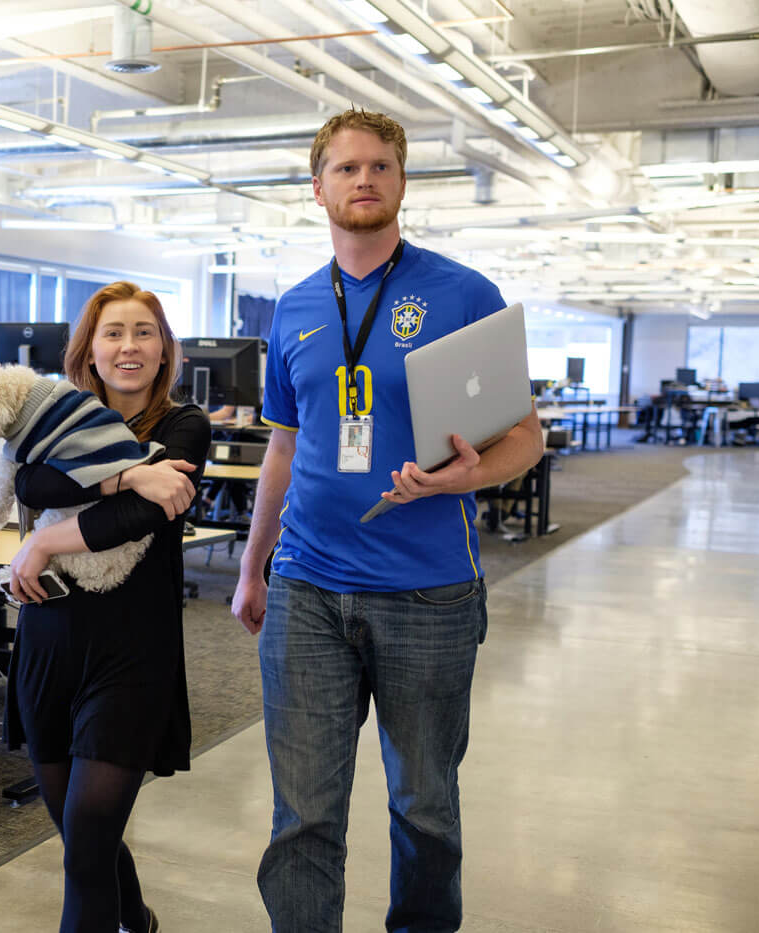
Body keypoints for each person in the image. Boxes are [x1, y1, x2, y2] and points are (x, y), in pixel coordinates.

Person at [230, 110, 544, 932]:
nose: (362, 179)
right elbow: (285, 449)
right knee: (302, 816)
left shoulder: (463, 293)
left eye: (378, 166)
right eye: (344, 168)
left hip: (429, 593)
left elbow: (524, 435)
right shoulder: (295, 309)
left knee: (425, 809)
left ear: (401, 182)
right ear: (318, 186)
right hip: (306, 589)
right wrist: (252, 565)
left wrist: (473, 474)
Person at [3, 281, 210, 933]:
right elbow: (30, 478)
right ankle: (137, 920)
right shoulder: (56, 416)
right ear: (89, 349)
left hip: (131, 651)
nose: (128, 346)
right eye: (113, 332)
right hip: (48, 642)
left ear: (164, 348)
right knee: (77, 831)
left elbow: (142, 513)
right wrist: (128, 471)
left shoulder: (184, 424)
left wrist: (41, 540)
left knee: (88, 835)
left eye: (143, 331)